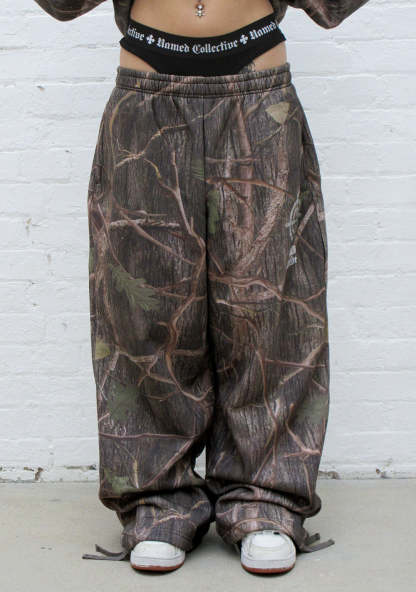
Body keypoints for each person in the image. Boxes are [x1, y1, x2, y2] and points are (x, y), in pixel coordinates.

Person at [34, 0, 370, 575]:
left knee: (270, 313)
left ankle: (267, 502)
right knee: (145, 313)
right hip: (146, 92)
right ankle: (158, 505)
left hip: (258, 93)